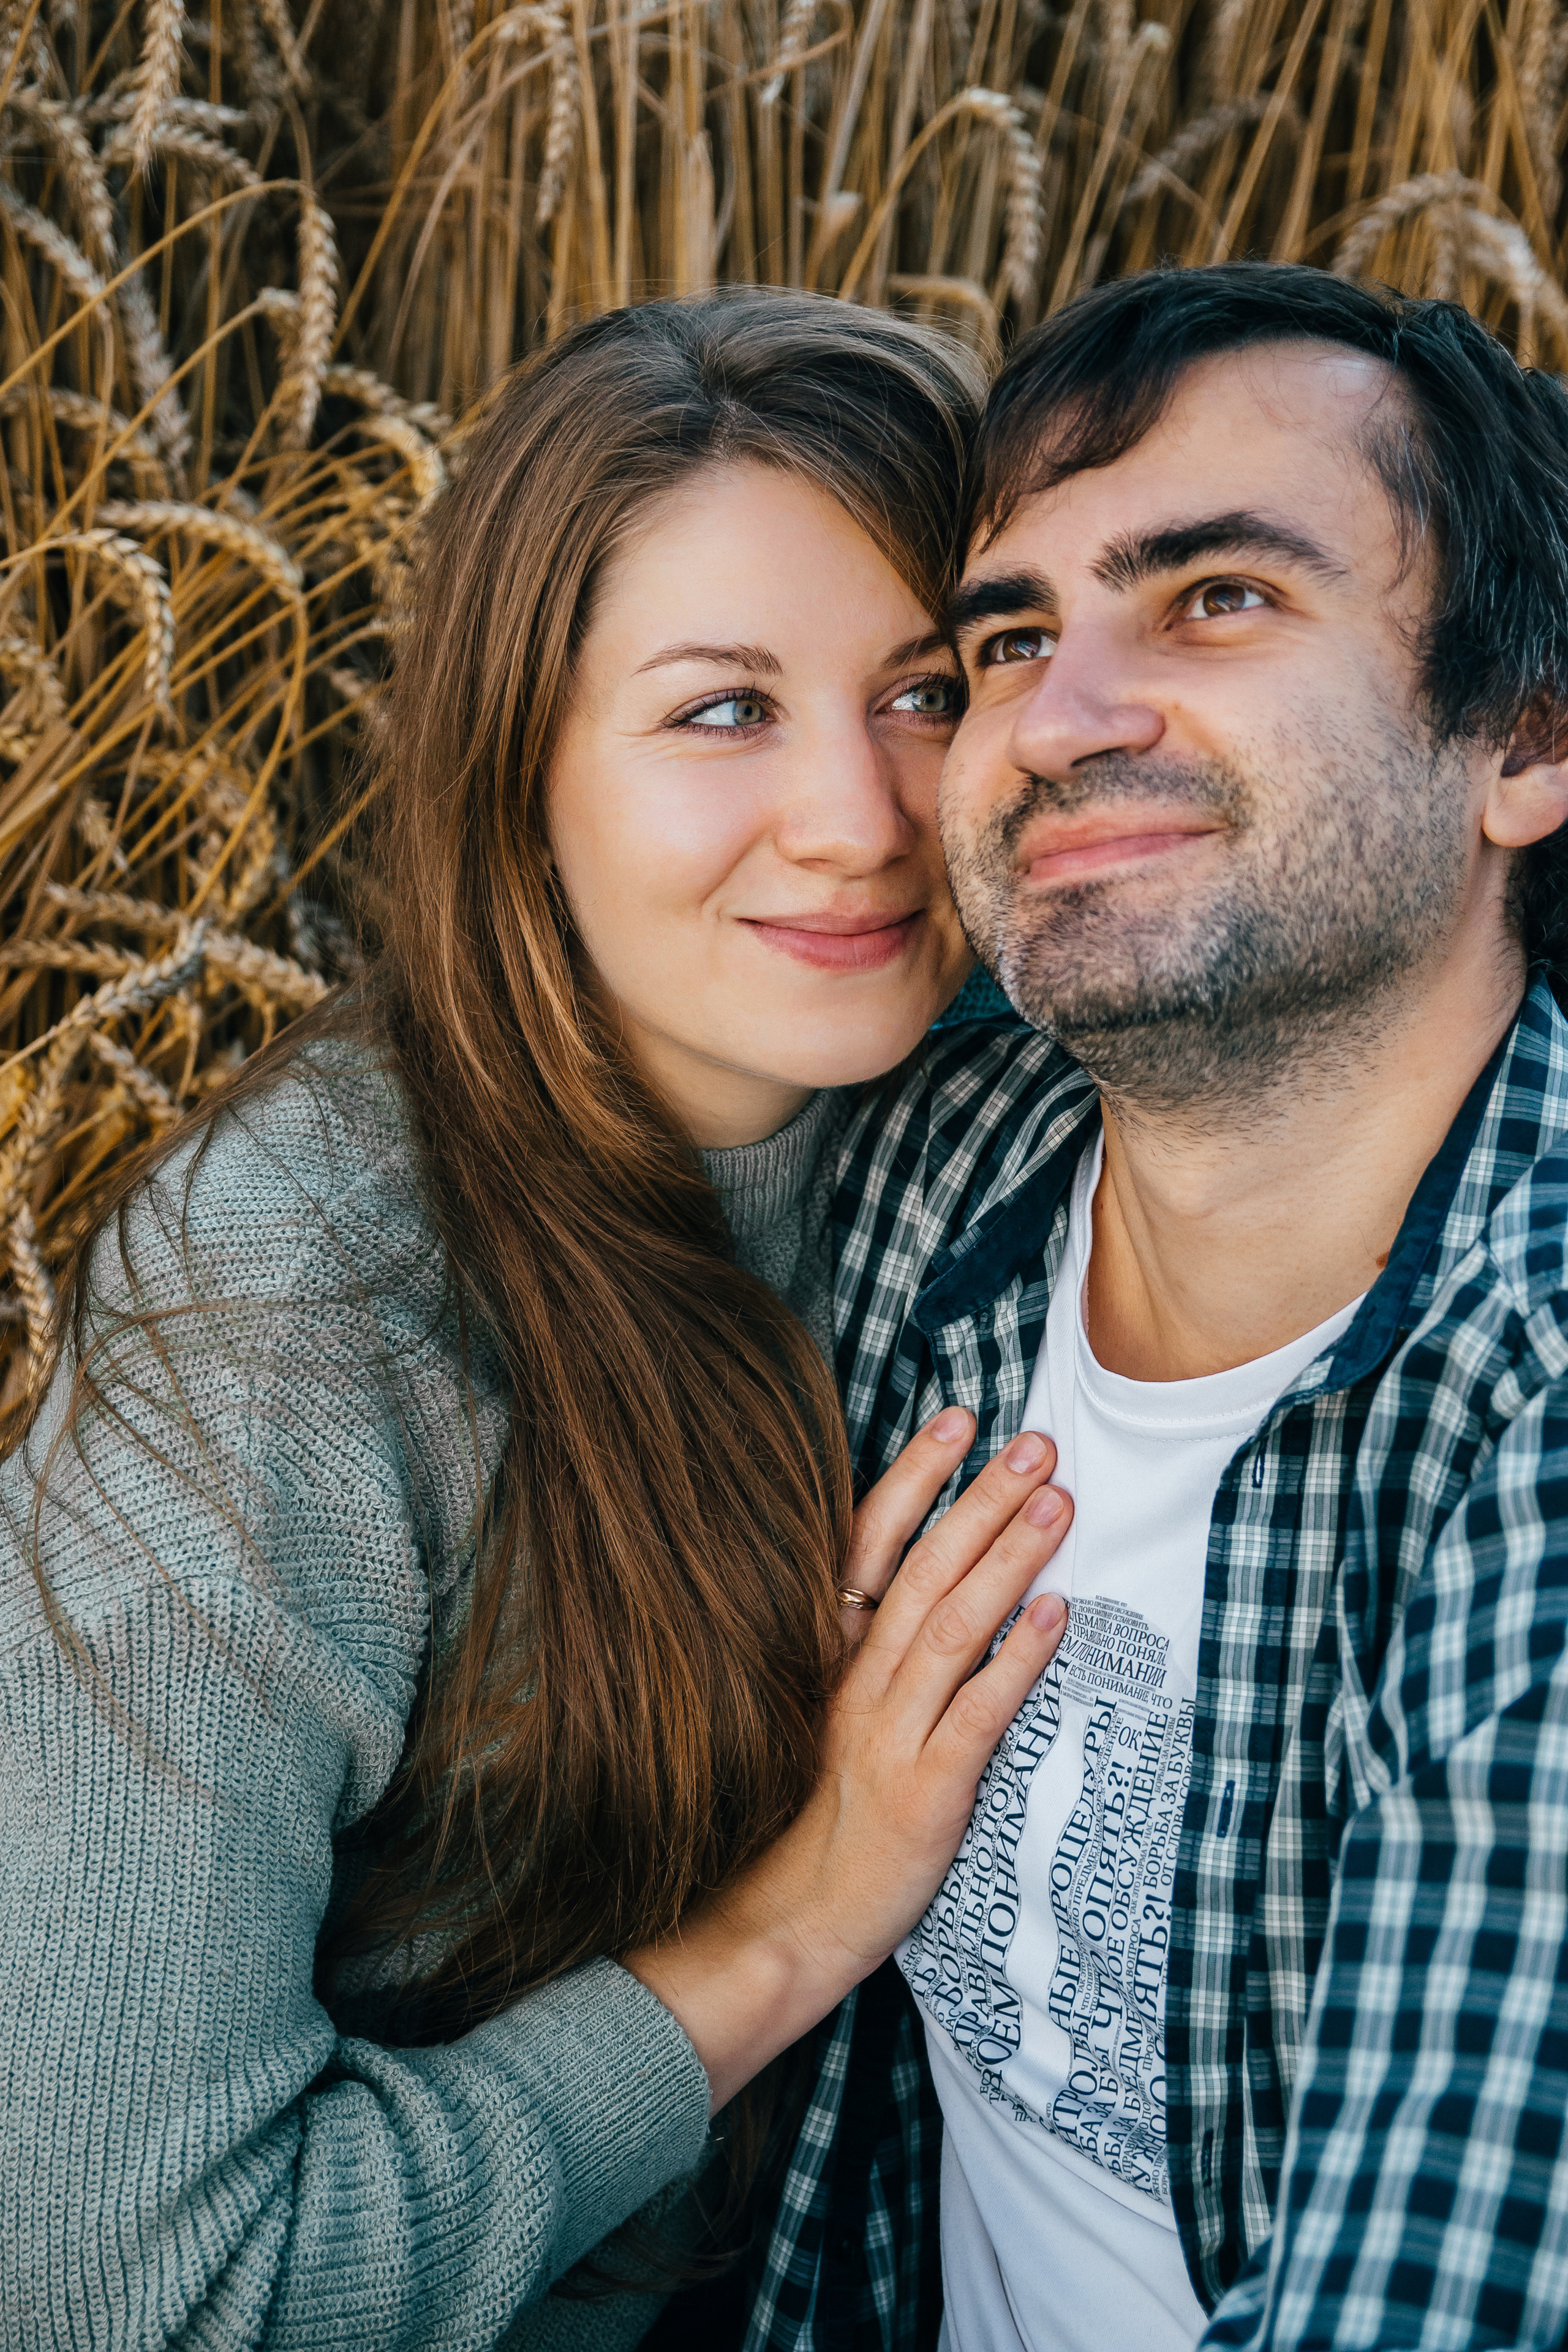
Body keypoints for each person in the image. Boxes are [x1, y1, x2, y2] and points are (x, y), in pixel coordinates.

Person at [0, 292, 1077, 2351]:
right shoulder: (301, 1303)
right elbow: (120, 2299)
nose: (860, 816)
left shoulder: (1014, 1123)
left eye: (928, 689)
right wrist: (796, 1921)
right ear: (526, 766)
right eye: (722, 710)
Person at [816, 262, 1568, 2352]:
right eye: (1007, 639)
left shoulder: (1534, 1423)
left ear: (1528, 736)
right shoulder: (921, 1161)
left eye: (1217, 597)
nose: (1053, 722)